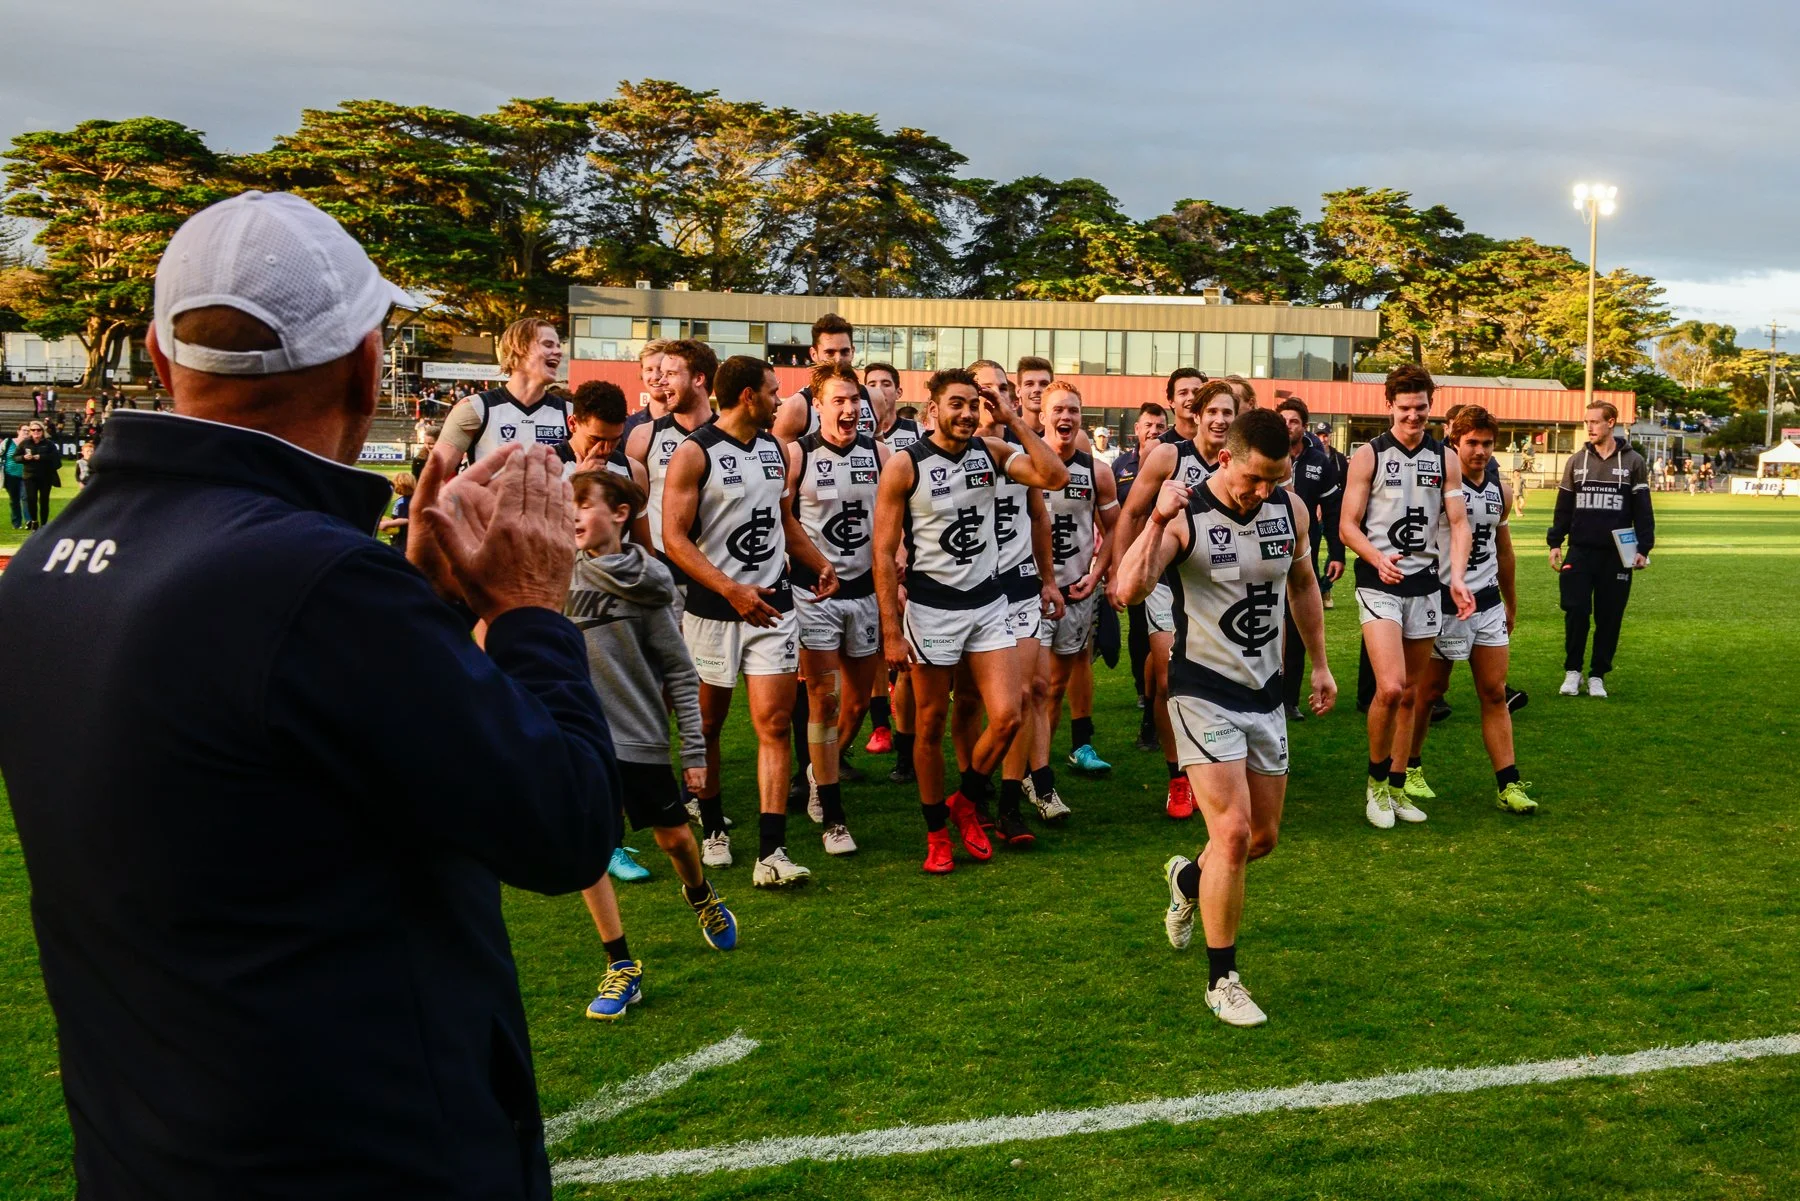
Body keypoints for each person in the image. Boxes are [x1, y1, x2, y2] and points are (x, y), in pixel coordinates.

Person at [0, 190, 621, 1199]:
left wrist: (418, 603)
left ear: (162, 362)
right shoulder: (319, 586)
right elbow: (562, 820)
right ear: (367, 366)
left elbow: (258, 768)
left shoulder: (45, 568)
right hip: (356, 1152)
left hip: (147, 1148)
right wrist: (528, 610)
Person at [1117, 408, 1335, 1027]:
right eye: (1256, 478)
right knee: (1233, 833)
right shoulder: (1185, 514)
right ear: (1224, 459)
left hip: (1266, 693)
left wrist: (1319, 665)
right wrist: (1156, 519)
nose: (1266, 491)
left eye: (1279, 477)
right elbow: (1129, 592)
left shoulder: (1289, 510)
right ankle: (1223, 980)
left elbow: (1302, 585)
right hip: (1200, 691)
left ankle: (1188, 881)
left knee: (1261, 839)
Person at [873, 368, 1067, 873]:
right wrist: (891, 630)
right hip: (932, 609)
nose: (965, 413)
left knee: (1007, 715)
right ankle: (936, 831)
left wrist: (1015, 421)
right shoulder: (904, 465)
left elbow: (1054, 476)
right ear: (933, 408)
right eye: (954, 404)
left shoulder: (993, 454)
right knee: (931, 723)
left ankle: (966, 801)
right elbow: (882, 552)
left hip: (988, 605)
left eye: (972, 404)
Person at [565, 469, 738, 1021]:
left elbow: (680, 673)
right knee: (589, 849)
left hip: (638, 737)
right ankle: (621, 964)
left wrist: (692, 752)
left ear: (619, 514)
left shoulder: (652, 584)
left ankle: (701, 895)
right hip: (577, 737)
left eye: (583, 505)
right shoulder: (555, 574)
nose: (572, 515)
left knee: (675, 841)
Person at [662, 354, 838, 887]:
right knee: (707, 725)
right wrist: (731, 589)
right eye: (772, 391)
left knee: (776, 723)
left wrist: (818, 560)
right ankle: (713, 826)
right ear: (746, 396)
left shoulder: (774, 451)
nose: (780, 400)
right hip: (714, 611)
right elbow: (674, 539)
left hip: (774, 608)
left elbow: (785, 522)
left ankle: (772, 852)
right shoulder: (695, 454)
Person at [1339, 364, 1473, 829]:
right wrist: (1377, 558)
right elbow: (1347, 526)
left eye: (1421, 408)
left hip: (1426, 583)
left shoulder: (1446, 459)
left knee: (1414, 694)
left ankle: (1397, 788)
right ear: (1389, 406)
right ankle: (1374, 785)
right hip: (1380, 582)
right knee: (1391, 687)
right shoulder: (1368, 455)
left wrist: (1456, 576)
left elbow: (1458, 524)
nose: (1414, 416)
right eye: (1405, 408)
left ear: (1430, 405)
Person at [1107, 373, 1234, 821]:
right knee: (1166, 678)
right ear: (1195, 414)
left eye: (1227, 413)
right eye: (1212, 412)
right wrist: (1119, 571)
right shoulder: (1167, 454)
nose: (1219, 420)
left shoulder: (1237, 457)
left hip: (1214, 588)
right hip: (1164, 582)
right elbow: (1132, 512)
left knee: (1213, 677)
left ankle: (1220, 761)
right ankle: (1177, 777)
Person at [1402, 406, 1537, 815]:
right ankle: (1409, 767)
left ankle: (1508, 784)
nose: (1479, 451)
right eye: (1472, 443)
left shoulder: (1502, 490)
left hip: (1488, 602)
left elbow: (1504, 551)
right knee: (1429, 693)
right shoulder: (1437, 486)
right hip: (1443, 603)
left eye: (1487, 443)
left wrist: (1512, 603)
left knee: (1494, 692)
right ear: (1454, 441)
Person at [787, 360, 888, 856]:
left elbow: (897, 522)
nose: (849, 409)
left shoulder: (882, 454)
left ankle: (816, 765)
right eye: (839, 401)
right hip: (814, 597)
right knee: (823, 703)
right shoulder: (797, 455)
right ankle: (833, 812)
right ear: (819, 405)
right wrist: (810, 563)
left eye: (856, 400)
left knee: (856, 705)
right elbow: (782, 520)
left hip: (866, 594)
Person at [966, 359, 1064, 840]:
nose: (994, 397)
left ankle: (1008, 803)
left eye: (1002, 389)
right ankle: (972, 794)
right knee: (968, 702)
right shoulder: (950, 448)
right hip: (967, 587)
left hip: (1020, 583)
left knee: (1023, 696)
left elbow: (1041, 508)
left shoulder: (1016, 447)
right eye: (985, 389)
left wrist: (1047, 579)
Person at [1030, 381, 1120, 822]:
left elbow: (1116, 530)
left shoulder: (1096, 471)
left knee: (1056, 687)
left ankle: (1039, 765)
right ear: (1042, 415)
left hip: (1077, 593)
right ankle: (1035, 776)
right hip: (1028, 593)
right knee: (1038, 686)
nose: (1066, 418)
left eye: (1074, 411)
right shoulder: (1023, 463)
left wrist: (1097, 575)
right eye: (1058, 410)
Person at [1547, 400, 1653, 698]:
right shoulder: (1576, 461)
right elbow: (1564, 508)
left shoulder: (1634, 462)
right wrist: (1555, 542)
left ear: (1611, 422)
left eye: (1595, 422)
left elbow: (1643, 510)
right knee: (1576, 610)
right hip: (1580, 552)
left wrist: (1644, 547)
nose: (1589, 427)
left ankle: (1597, 675)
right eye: (1586, 422)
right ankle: (1572, 672)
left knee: (1609, 617)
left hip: (1617, 556)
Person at [1275, 398, 1344, 722]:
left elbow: (1332, 512)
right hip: (1267, 554)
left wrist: (1338, 552)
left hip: (1304, 554)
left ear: (1304, 425)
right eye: (1283, 420)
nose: (1288, 425)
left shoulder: (1320, 460)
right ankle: (1267, 695)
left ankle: (1289, 699)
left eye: (1294, 421)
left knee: (1299, 623)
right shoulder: (1266, 453)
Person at [861, 360, 916, 762]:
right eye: (872, 384)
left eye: (886, 383)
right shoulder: (854, 436)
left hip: (908, 551)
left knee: (903, 640)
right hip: (863, 552)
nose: (879, 390)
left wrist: (904, 555)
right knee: (879, 642)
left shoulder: (915, 436)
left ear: (898, 391)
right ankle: (880, 721)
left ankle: (902, 733)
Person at [437, 317, 569, 465]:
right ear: (519, 347)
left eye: (558, 346)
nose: (558, 352)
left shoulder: (570, 413)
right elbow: (437, 474)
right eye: (548, 345)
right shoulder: (475, 409)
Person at [1113, 402, 1169, 743]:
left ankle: (1156, 704)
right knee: (1139, 634)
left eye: (1159, 424)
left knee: (1161, 644)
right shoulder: (1121, 466)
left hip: (1168, 564)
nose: (1153, 429)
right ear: (1137, 428)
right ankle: (1144, 694)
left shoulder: (1174, 456)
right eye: (1148, 424)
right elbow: (1125, 515)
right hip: (1137, 565)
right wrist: (1119, 567)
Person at [772, 314, 878, 443]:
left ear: (853, 352)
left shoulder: (874, 398)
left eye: (845, 352)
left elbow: (880, 457)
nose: (838, 360)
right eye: (830, 353)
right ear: (814, 354)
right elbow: (782, 460)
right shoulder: (795, 408)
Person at [15, 420, 62, 529]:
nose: (36, 432)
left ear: (42, 431)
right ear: (30, 431)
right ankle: (34, 521)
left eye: (38, 430)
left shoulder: (49, 444)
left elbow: (56, 460)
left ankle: (44, 524)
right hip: (30, 476)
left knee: (44, 500)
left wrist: (41, 457)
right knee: (31, 499)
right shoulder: (25, 443)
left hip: (46, 476)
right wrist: (23, 458)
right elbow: (15, 457)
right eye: (33, 430)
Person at [623, 338, 670, 434]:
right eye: (649, 369)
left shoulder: (691, 425)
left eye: (661, 369)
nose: (655, 376)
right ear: (641, 374)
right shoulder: (627, 427)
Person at [378, 469, 414, 555]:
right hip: (402, 536)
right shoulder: (411, 498)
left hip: (403, 537)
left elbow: (406, 519)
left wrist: (387, 524)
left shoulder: (404, 502)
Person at [2, 424, 25, 528]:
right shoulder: (8, 442)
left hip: (26, 475)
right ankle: (17, 523)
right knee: (14, 499)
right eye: (24, 430)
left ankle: (29, 521)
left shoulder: (29, 444)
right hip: (10, 474)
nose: (26, 432)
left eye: (28, 431)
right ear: (18, 431)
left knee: (26, 497)